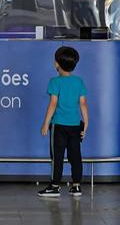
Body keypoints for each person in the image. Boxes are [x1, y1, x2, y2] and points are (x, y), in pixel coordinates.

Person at [38, 46, 89, 198]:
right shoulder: (79, 82)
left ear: (57, 64)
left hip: (59, 125)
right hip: (75, 125)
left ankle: (54, 186)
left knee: (57, 157)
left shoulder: (55, 82)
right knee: (75, 156)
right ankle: (76, 186)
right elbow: (83, 104)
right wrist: (86, 123)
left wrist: (46, 123)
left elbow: (53, 104)